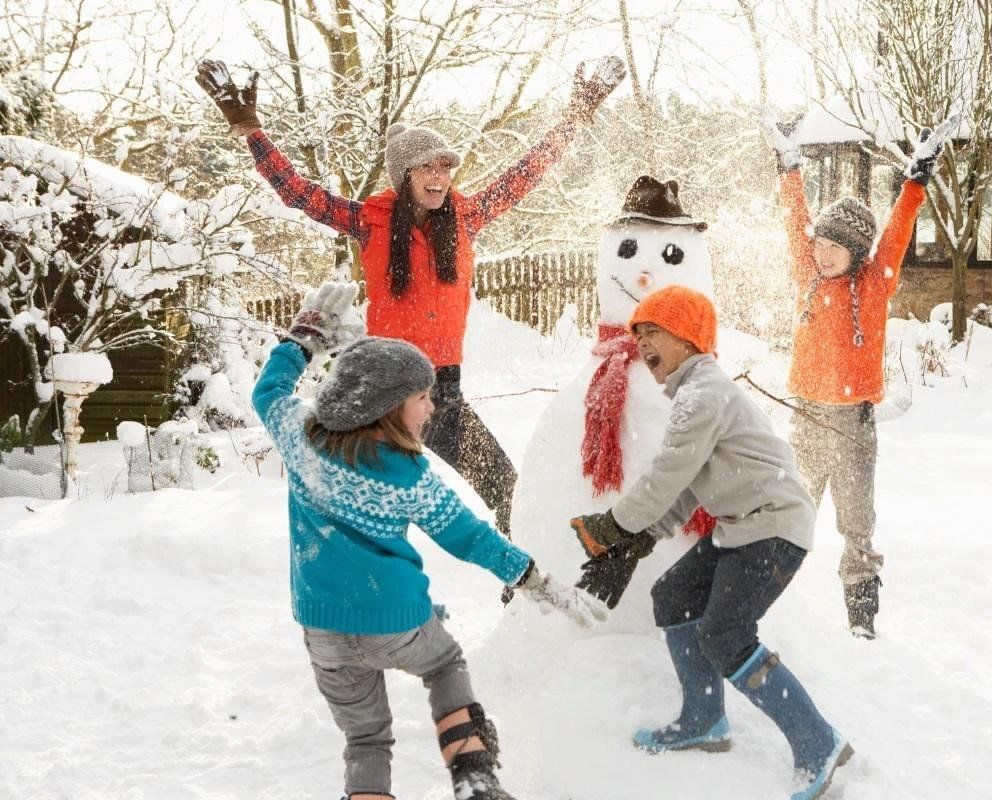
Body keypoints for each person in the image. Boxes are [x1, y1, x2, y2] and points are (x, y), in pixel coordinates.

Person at [198, 55, 626, 540]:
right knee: (367, 510)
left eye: (446, 166)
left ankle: (522, 584)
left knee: (507, 490)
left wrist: (577, 115)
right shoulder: (369, 221)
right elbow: (298, 192)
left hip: (442, 390)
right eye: (427, 165)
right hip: (382, 389)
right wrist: (250, 130)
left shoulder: (466, 218)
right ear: (404, 175)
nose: (440, 175)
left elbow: (526, 174)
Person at [252, 282, 604, 800]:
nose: (432, 408)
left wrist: (304, 339)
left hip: (322, 627)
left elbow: (269, 392)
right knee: (444, 665)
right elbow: (470, 538)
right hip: (398, 621)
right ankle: (475, 779)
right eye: (422, 398)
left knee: (367, 739)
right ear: (388, 407)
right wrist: (535, 579)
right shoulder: (409, 475)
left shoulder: (300, 435)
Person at [568, 286, 851, 800]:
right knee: (673, 596)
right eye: (637, 334)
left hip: (772, 528)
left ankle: (818, 742)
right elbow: (685, 487)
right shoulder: (695, 394)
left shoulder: (705, 393)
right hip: (742, 526)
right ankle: (704, 719)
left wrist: (612, 528)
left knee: (726, 634)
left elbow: (666, 476)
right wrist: (638, 544)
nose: (641, 343)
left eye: (653, 331)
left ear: (689, 337)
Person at [762, 113, 947, 639]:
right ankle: (770, 607)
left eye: (832, 247)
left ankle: (861, 618)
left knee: (857, 523)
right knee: (789, 517)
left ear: (856, 254)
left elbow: (897, 231)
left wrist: (918, 177)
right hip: (806, 418)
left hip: (854, 423)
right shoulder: (808, 274)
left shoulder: (874, 283)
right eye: (818, 244)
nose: (819, 253)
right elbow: (793, 218)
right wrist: (788, 163)